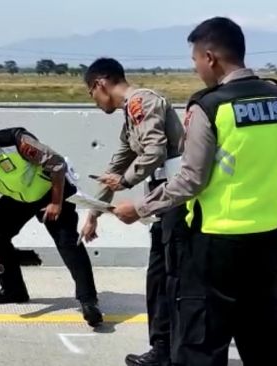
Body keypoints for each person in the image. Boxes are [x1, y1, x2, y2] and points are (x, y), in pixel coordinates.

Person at [112, 17, 277, 365]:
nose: (195, 68)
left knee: (199, 345)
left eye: (194, 60)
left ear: (211, 57)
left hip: (215, 245)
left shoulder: (209, 106)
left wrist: (141, 208)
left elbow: (191, 179)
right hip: (267, 240)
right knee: (264, 341)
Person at [81, 57, 185, 366]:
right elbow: (117, 164)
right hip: (163, 204)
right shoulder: (130, 116)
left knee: (171, 279)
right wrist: (94, 213)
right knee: (159, 278)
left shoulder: (142, 102)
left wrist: (125, 181)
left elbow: (154, 149)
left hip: (178, 203)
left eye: (91, 93)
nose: (95, 101)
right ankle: (164, 348)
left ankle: (170, 350)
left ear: (101, 83)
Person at [0, 120, 103, 327]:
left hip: (51, 191)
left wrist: (56, 203)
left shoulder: (17, 142)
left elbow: (57, 164)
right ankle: (13, 290)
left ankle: (88, 301)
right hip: (19, 198)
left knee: (67, 241)